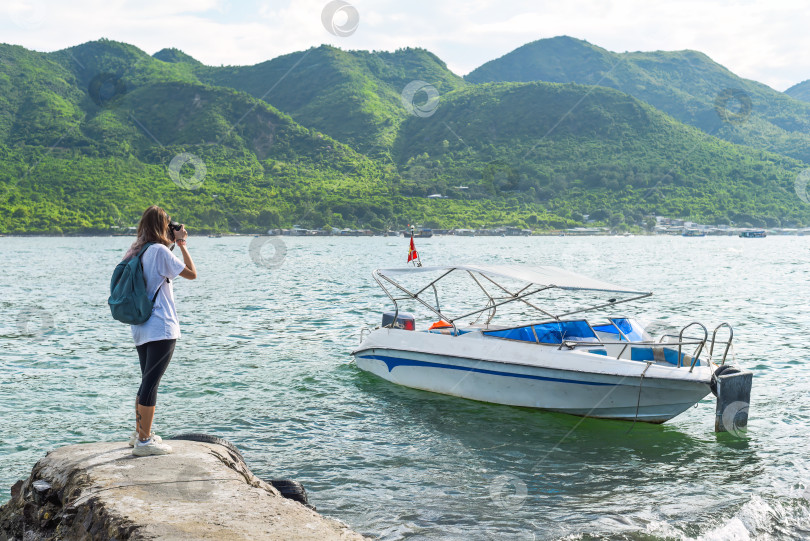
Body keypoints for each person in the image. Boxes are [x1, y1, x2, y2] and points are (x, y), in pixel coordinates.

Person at [122, 205, 197, 456]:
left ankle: (139, 434)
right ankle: (145, 441)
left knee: (146, 381)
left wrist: (171, 244)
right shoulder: (159, 251)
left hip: (140, 326)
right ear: (162, 227)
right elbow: (191, 274)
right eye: (168, 224)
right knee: (151, 384)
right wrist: (183, 243)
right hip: (162, 327)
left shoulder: (136, 250)